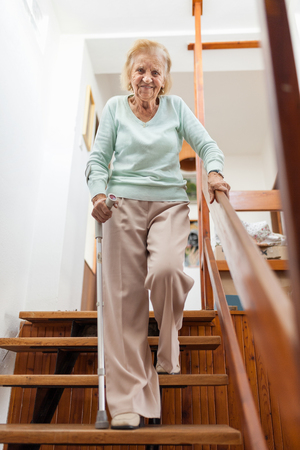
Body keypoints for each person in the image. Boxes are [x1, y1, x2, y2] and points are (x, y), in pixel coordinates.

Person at [85, 39, 230, 430]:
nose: (147, 77)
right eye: (140, 70)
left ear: (163, 79)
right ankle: (127, 401)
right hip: (120, 206)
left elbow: (207, 145)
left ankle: (168, 349)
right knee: (124, 303)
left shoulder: (176, 108)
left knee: (166, 270)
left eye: (154, 71)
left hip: (168, 204)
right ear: (128, 76)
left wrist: (214, 171)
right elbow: (98, 159)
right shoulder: (115, 108)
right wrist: (98, 193)